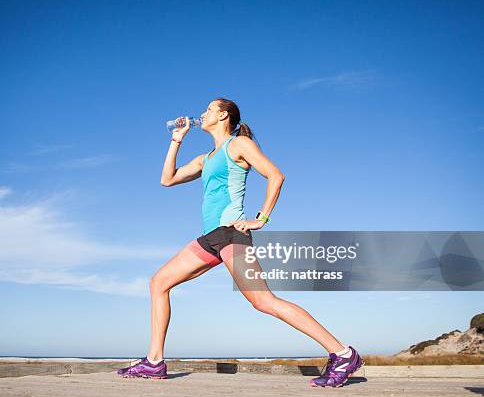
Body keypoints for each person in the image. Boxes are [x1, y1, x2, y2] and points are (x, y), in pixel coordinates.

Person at [117, 98, 363, 387]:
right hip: (211, 238)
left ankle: (343, 353)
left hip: (232, 235)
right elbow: (167, 180)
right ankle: (155, 362)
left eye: (208, 109)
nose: (202, 113)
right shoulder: (205, 158)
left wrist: (261, 218)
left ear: (223, 115)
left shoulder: (239, 145)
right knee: (159, 283)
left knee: (264, 301)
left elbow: (276, 175)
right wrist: (176, 140)